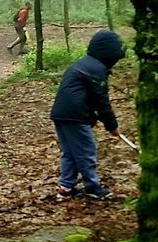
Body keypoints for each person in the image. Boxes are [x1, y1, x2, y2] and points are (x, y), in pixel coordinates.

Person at [50, 30, 125, 200]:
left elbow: (86, 96)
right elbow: (101, 100)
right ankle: (92, 186)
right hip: (74, 116)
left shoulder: (84, 64)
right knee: (86, 150)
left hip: (62, 114)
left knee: (70, 152)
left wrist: (92, 116)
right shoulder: (96, 69)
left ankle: (66, 187)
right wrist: (111, 125)